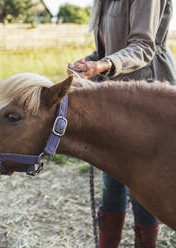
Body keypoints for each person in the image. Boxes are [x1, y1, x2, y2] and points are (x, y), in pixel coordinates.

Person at [68, 0, 176, 247]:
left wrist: (102, 65)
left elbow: (143, 47)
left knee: (142, 188)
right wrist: (88, 63)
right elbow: (111, 50)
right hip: (117, 97)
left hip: (147, 99)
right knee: (112, 178)